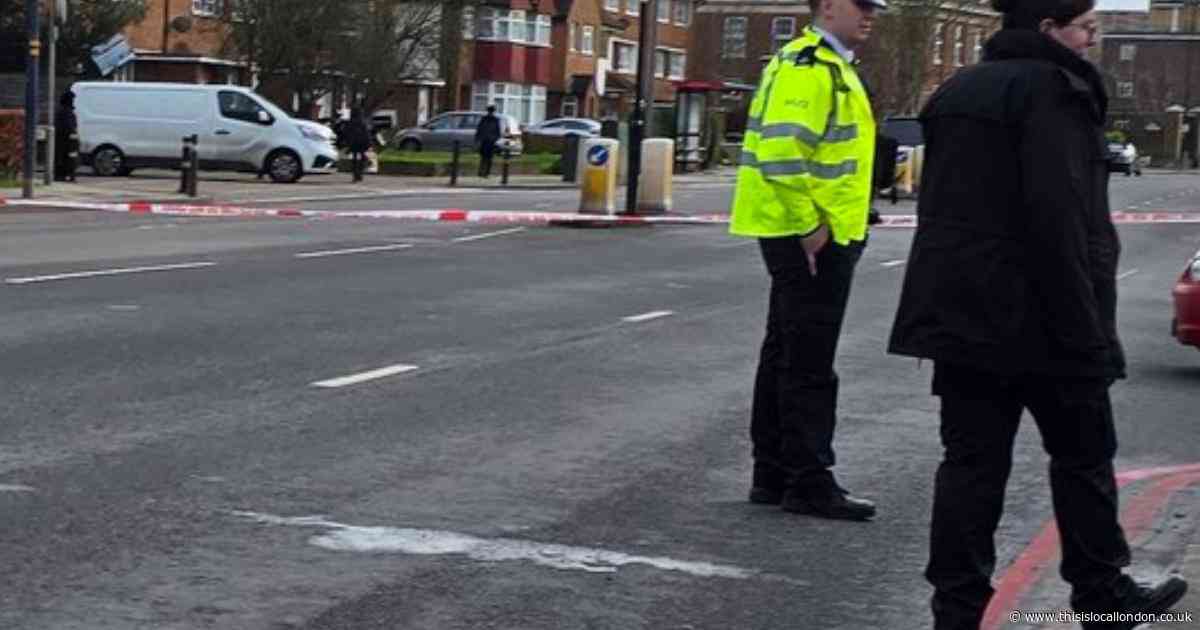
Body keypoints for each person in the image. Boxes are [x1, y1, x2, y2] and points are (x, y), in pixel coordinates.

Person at [887, 0, 1188, 627]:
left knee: (970, 464)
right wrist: (1088, 328)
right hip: (1045, 315)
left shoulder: (956, 91)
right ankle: (1102, 593)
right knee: (1082, 455)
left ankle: (957, 608)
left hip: (963, 314)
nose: (1093, 41)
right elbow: (1060, 219)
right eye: (1085, 28)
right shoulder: (1057, 92)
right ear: (1047, 30)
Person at [729, 0, 886, 521]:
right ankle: (808, 480)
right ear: (832, 6)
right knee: (810, 361)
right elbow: (781, 151)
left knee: (786, 351)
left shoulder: (822, 62)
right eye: (863, 5)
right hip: (811, 233)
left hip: (809, 227)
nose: (871, 15)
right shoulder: (813, 66)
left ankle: (773, 472)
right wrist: (810, 225)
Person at [54, 89, 78, 182]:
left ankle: (67, 174)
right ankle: (65, 175)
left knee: (68, 158)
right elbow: (69, 127)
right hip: (65, 141)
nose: (73, 101)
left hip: (68, 141)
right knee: (65, 158)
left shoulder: (65, 111)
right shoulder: (65, 112)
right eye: (72, 99)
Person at [344, 107, 372, 183]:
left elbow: (347, 134)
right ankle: (359, 173)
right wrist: (369, 144)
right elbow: (367, 134)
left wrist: (347, 144)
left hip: (353, 143)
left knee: (354, 160)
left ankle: (355, 175)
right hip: (362, 143)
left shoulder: (350, 122)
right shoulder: (363, 122)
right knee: (363, 158)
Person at [475, 105, 502, 178]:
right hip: (488, 141)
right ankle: (484, 173)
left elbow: (479, 130)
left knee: (486, 158)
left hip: (487, 141)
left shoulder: (486, 119)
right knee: (486, 158)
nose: (491, 113)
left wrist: (478, 139)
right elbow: (498, 132)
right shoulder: (494, 120)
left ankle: (483, 172)